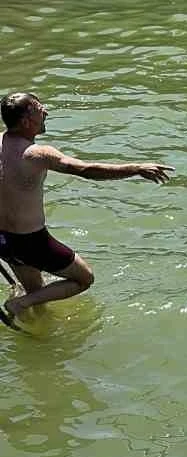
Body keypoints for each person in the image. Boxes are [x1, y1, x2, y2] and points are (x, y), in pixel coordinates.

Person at [0, 91, 172, 327]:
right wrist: (135, 168)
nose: (46, 112)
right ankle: (19, 304)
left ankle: (40, 326)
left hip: (3, 240)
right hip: (31, 241)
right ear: (26, 121)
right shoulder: (37, 154)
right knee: (84, 278)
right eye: (39, 109)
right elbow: (85, 169)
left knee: (36, 292)